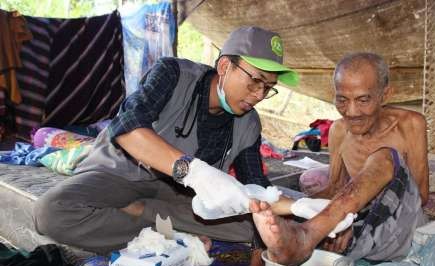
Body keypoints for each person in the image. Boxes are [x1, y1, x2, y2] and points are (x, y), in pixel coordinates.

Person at [32, 26, 299, 254]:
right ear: (225, 66)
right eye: (255, 81)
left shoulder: (249, 122)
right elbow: (126, 127)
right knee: (53, 212)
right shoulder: (173, 74)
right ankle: (168, 230)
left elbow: (256, 185)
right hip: (123, 174)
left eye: (268, 87)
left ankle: (145, 215)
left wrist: (299, 206)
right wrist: (195, 172)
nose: (259, 95)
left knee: (255, 228)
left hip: (177, 196)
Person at [251, 52, 429, 266]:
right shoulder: (339, 131)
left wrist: (351, 216)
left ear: (385, 95)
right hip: (362, 233)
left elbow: (421, 195)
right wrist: (299, 207)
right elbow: (335, 188)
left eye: (363, 100)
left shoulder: (411, 124)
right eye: (342, 100)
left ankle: (307, 236)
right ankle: (288, 249)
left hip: (402, 226)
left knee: (385, 156)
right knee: (271, 204)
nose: (352, 112)